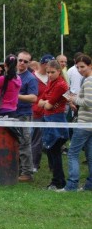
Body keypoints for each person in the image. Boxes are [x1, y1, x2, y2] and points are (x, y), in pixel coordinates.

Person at [60, 54, 92, 192]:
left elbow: (88, 102)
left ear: (90, 65)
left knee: (73, 153)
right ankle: (89, 185)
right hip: (88, 123)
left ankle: (72, 185)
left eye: (83, 67)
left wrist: (74, 99)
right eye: (78, 67)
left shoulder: (89, 80)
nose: (80, 70)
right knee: (90, 155)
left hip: (85, 123)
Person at [37, 59, 69, 190]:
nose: (49, 75)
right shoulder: (51, 82)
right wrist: (46, 102)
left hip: (56, 119)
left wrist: (46, 102)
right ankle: (58, 180)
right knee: (51, 151)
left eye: (52, 72)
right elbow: (40, 101)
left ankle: (58, 181)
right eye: (48, 72)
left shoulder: (61, 85)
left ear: (59, 71)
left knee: (54, 150)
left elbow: (48, 105)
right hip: (49, 118)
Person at [15, 51, 38, 182]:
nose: (22, 63)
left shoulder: (30, 78)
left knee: (24, 144)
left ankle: (27, 173)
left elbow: (34, 97)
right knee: (15, 144)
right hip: (12, 113)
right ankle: (18, 169)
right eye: (20, 60)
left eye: (25, 61)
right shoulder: (12, 75)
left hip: (24, 115)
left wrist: (16, 95)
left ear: (29, 63)